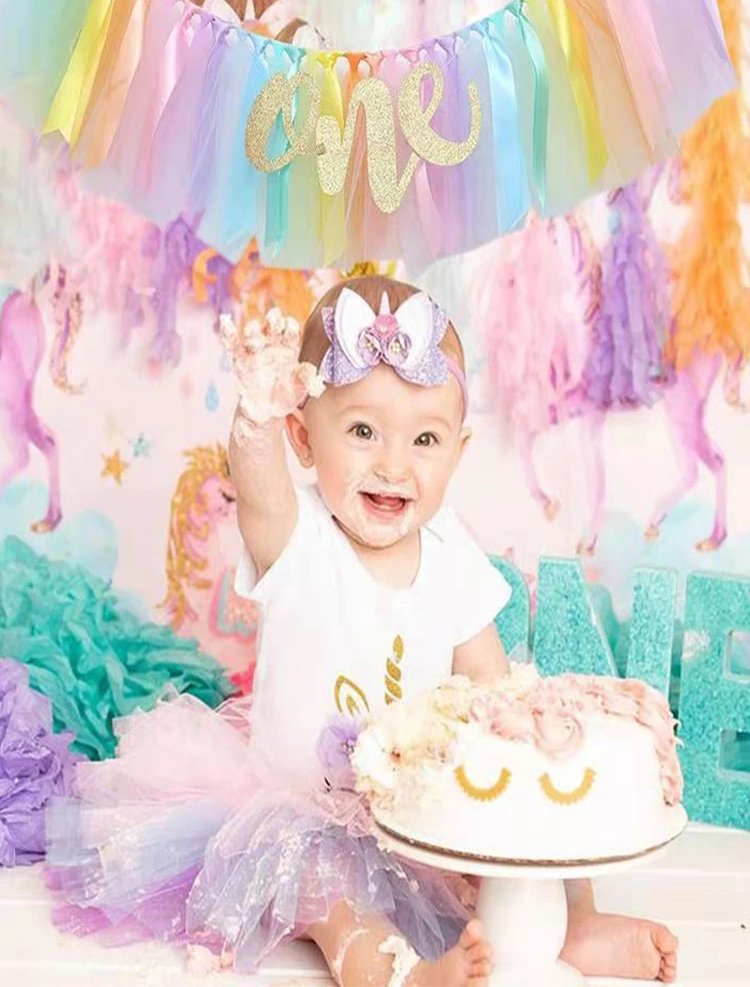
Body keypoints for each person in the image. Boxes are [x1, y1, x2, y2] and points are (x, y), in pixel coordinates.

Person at [46, 275, 678, 986]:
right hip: (303, 808)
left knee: (531, 817)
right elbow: (259, 493)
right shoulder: (300, 540)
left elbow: (489, 684)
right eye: (362, 431)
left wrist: (517, 750)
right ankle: (393, 968)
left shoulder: (452, 554)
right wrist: (255, 418)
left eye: (425, 438)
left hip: (421, 811)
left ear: (458, 451)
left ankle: (577, 924)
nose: (393, 464)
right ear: (302, 436)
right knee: (324, 890)